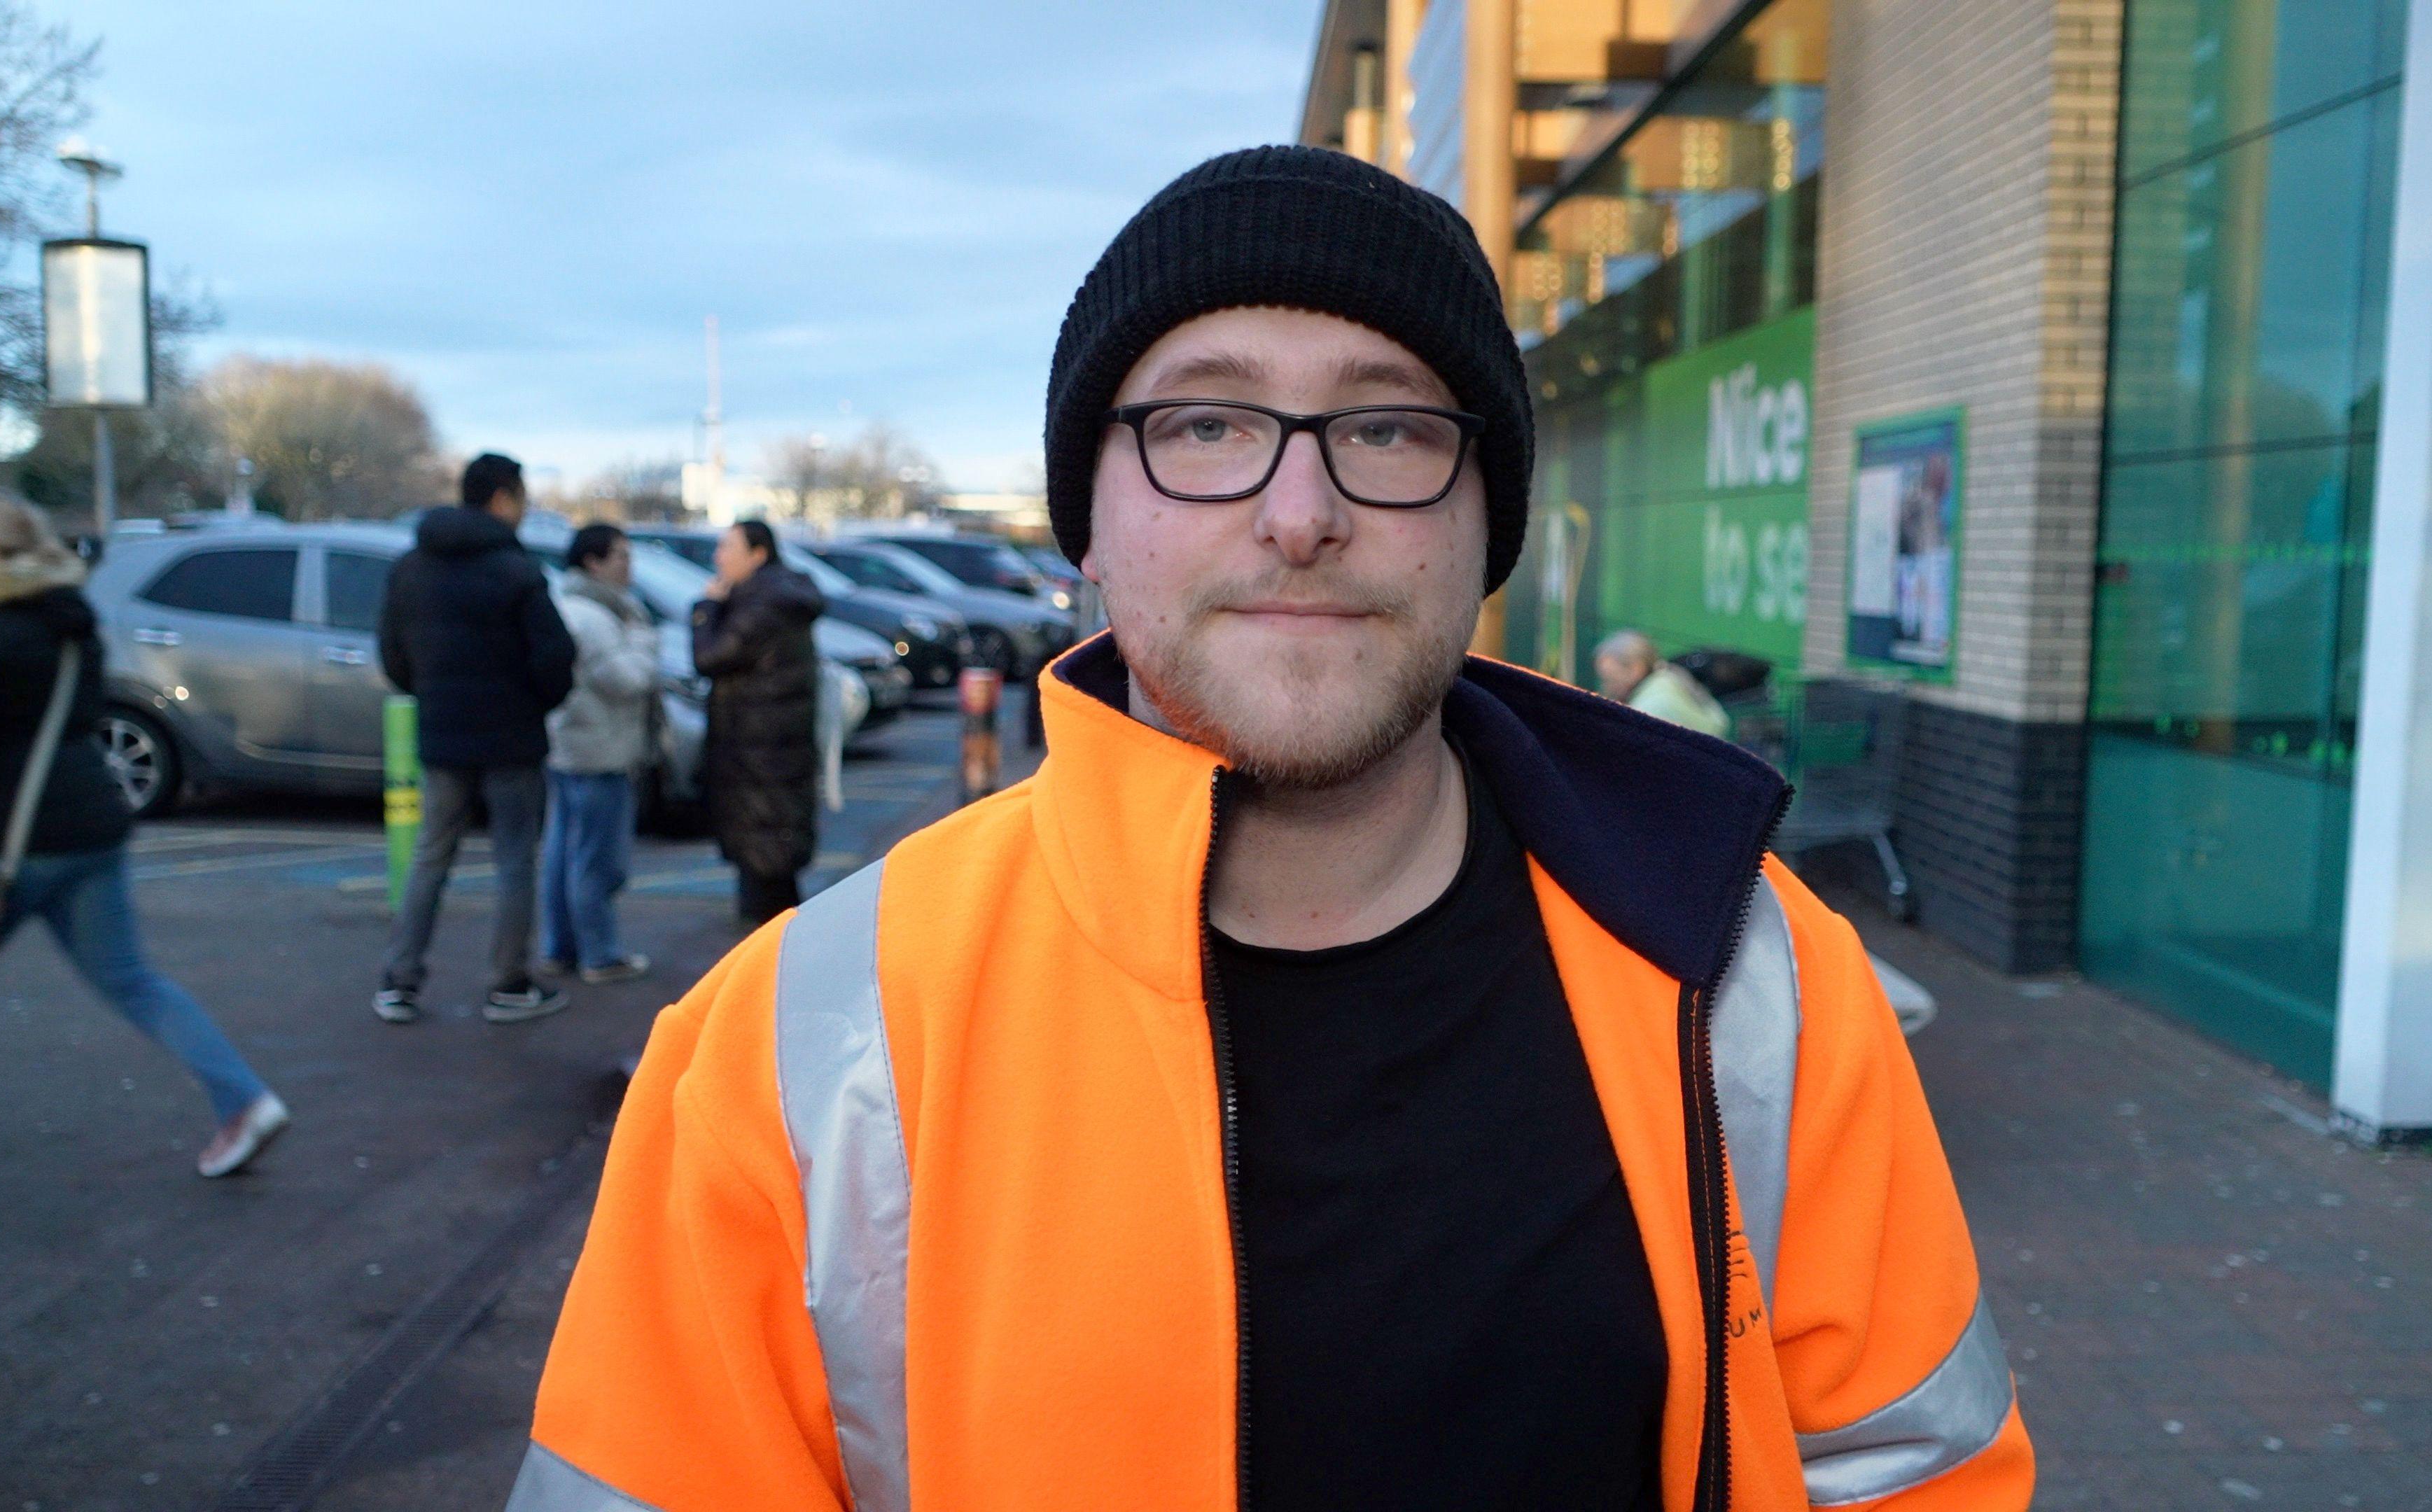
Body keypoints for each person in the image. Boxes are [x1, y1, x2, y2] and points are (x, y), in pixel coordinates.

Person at [513, 148, 2030, 1511]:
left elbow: (1920, 1477)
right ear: (1090, 524)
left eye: (1385, 428)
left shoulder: (1752, 982)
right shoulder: (804, 1050)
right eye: (1208, 422)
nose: (1300, 509)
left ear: (1481, 521)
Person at [0, 487, 286, 1181]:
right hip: (90, 827)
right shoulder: (70, 623)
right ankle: (243, 1097)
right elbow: (79, 716)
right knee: (132, 981)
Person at [375, 453, 576, 1026]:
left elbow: (393, 655)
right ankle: (507, 982)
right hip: (512, 738)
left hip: (442, 734)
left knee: (430, 856)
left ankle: (399, 980)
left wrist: (431, 693)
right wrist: (537, 702)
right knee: (514, 860)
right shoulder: (516, 570)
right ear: (503, 498)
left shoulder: (412, 566)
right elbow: (556, 656)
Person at [690, 519, 824, 927]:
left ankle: (768, 975)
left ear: (758, 554)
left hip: (758, 759)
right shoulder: (774, 596)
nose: (718, 558)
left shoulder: (762, 604)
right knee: (773, 873)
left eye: (728, 548)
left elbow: (709, 658)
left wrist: (705, 610)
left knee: (764, 876)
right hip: (768, 755)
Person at [540, 524, 657, 986]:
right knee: (597, 859)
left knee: (563, 853)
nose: (629, 567)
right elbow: (628, 679)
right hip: (598, 750)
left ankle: (562, 948)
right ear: (593, 562)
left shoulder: (570, 606)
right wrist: (646, 641)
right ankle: (600, 955)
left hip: (571, 746)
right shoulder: (596, 617)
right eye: (621, 557)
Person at [1595, 628, 1733, 739]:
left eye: (1610, 679)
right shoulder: (1669, 677)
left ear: (1636, 669)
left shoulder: (1650, 707)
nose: (1606, 687)